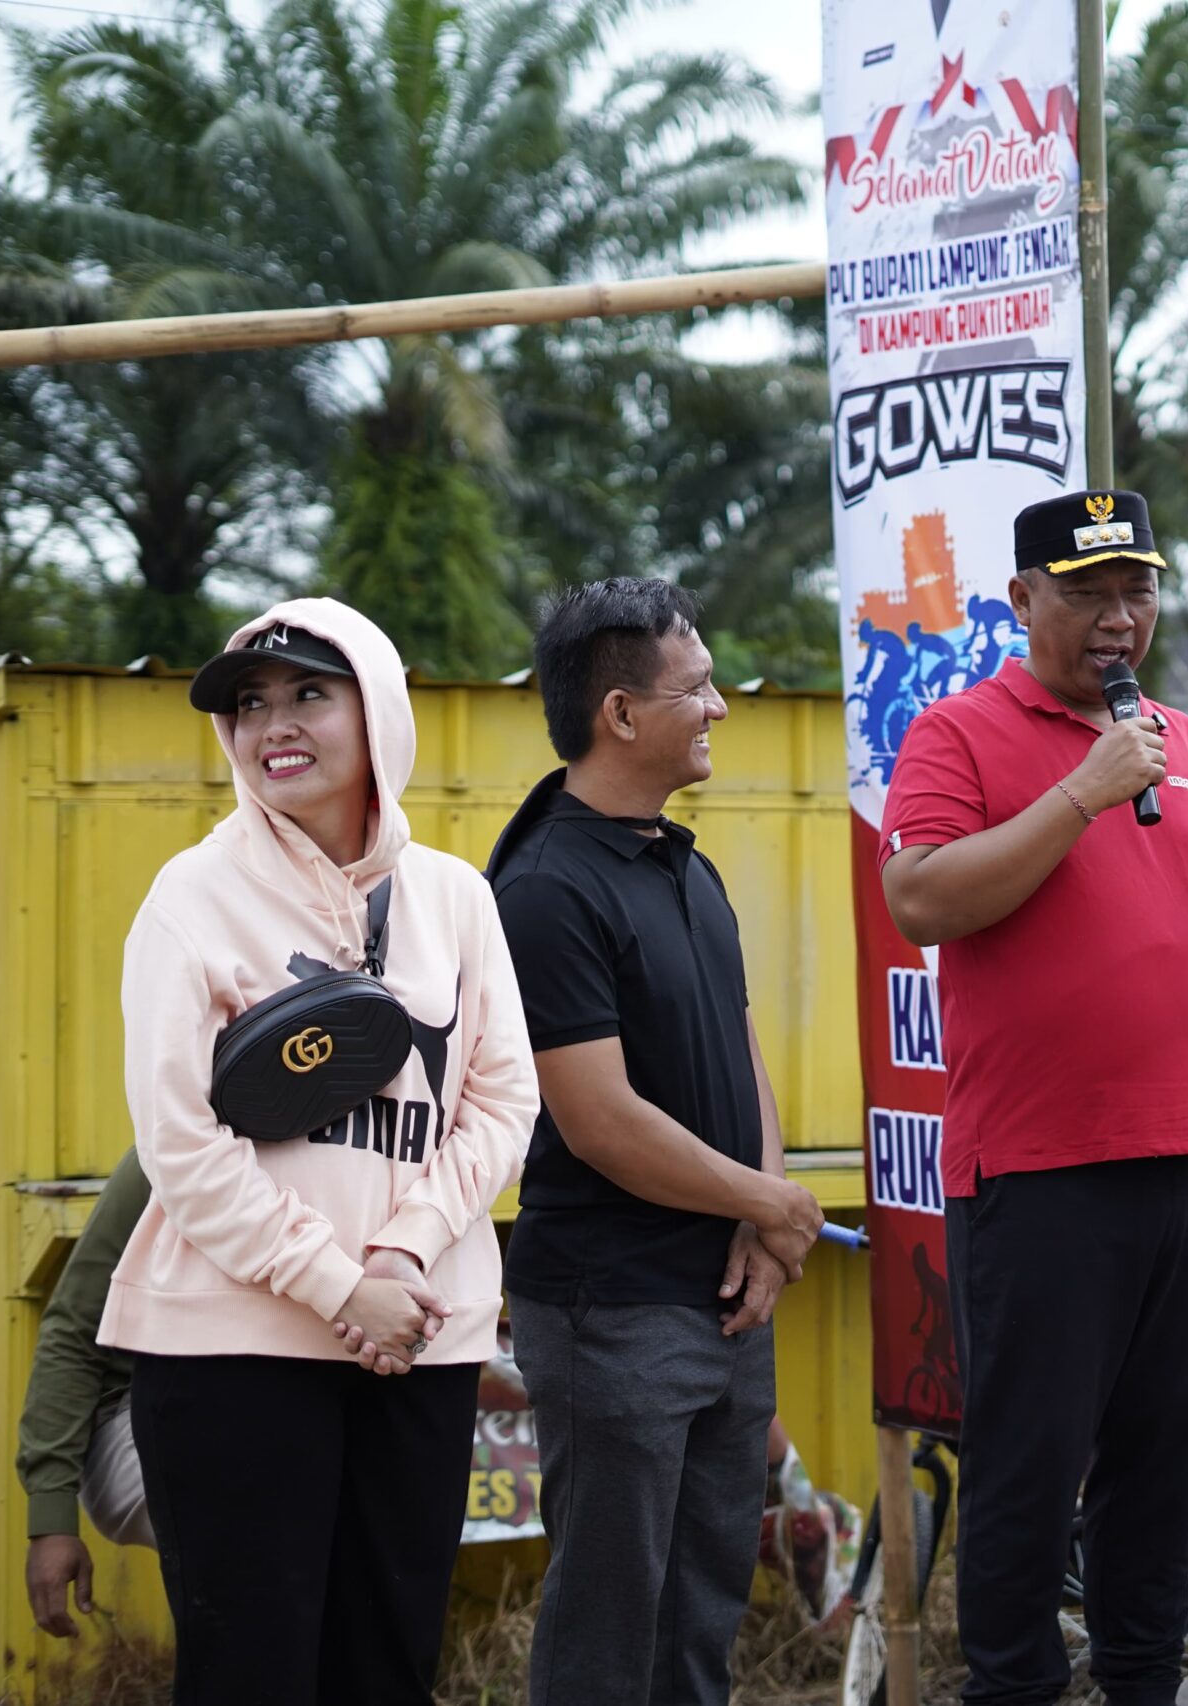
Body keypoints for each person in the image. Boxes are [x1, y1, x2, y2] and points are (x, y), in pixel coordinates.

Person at [878, 489, 1188, 1706]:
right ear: (1023, 599)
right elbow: (920, 898)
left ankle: (1137, 1681)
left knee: (1159, 1464)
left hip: (1186, 1153)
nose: (1120, 618)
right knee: (1028, 1464)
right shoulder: (958, 732)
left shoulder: (1182, 739)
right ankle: (1012, 1686)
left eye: (1138, 591)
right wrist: (1080, 790)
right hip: (1040, 1166)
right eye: (1088, 594)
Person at [98, 600, 539, 1705]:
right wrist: (338, 1284)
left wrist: (403, 1252)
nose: (274, 724)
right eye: (249, 705)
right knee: (252, 1672)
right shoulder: (191, 896)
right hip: (231, 1349)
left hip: (418, 1339)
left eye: (308, 693)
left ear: (377, 709)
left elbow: (501, 1100)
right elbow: (179, 1141)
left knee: (386, 1667)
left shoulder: (456, 898)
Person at [490, 579, 827, 1706]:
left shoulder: (685, 863)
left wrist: (765, 1216)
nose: (720, 708)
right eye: (698, 689)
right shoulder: (545, 887)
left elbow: (742, 1053)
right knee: (609, 1621)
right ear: (622, 713)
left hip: (725, 1296)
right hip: (614, 1309)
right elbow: (599, 1120)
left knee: (701, 1612)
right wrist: (766, 1205)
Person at [18, 1151, 153, 1641]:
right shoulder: (174, 1146)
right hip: (134, 1418)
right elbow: (75, 1330)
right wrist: (51, 1517)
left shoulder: (360, 1151)